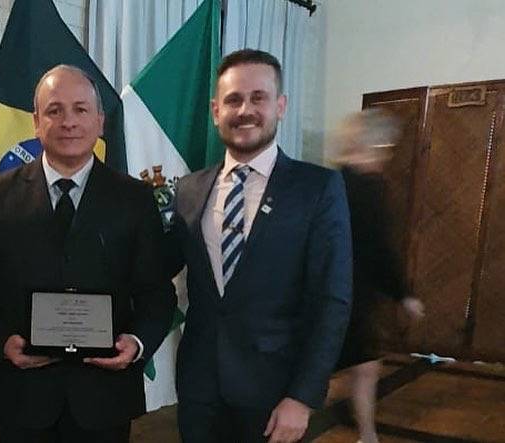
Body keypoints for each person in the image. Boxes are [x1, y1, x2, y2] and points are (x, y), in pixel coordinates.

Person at [0, 64, 176, 442]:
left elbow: (157, 292)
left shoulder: (135, 199)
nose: (69, 122)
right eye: (55, 110)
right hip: (22, 394)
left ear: (100, 121)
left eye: (81, 109)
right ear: (36, 122)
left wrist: (137, 343)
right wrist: (0, 341)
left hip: (103, 396)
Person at [168, 49, 353, 443]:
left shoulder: (317, 189)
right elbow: (154, 268)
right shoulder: (188, 190)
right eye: (233, 99)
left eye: (258, 98)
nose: (245, 110)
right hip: (199, 390)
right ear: (216, 111)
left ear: (280, 106)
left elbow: (332, 301)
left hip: (274, 395)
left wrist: (302, 397)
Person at [330, 110, 425, 443]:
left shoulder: (333, 181)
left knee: (361, 368)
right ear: (371, 145)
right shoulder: (368, 187)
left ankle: (367, 435)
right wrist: (404, 294)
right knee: (359, 369)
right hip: (348, 296)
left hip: (339, 292)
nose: (386, 154)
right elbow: (379, 248)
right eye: (385, 146)